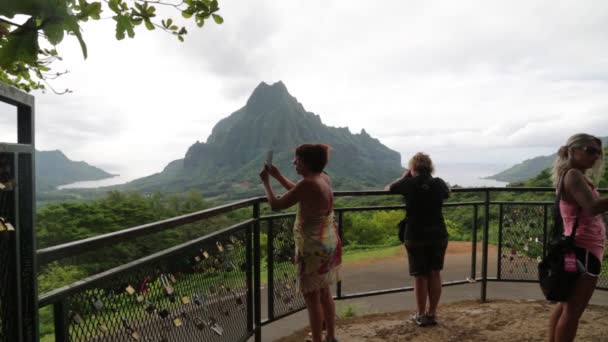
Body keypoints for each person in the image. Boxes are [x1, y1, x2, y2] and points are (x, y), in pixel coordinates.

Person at [259, 143, 342, 342]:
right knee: (324, 291)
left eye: (297, 159)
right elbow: (297, 191)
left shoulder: (309, 184)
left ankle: (317, 340)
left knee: (312, 297)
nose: (294, 162)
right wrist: (278, 176)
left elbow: (277, 205)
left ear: (306, 162)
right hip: (327, 242)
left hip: (312, 247)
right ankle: (330, 337)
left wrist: (266, 183)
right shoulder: (323, 178)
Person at [548, 133, 607, 342]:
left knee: (566, 304)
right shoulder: (573, 175)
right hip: (584, 249)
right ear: (573, 151)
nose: (596, 156)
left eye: (598, 153)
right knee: (574, 311)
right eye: (590, 150)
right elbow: (591, 207)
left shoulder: (574, 174)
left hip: (579, 248)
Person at [385, 152, 450, 327]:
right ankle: (432, 313)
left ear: (412, 168)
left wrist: (404, 176)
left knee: (420, 276)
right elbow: (447, 194)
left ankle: (421, 315)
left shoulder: (407, 183)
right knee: (435, 272)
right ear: (430, 167)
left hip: (415, 235)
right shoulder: (439, 183)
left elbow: (388, 189)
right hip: (438, 234)